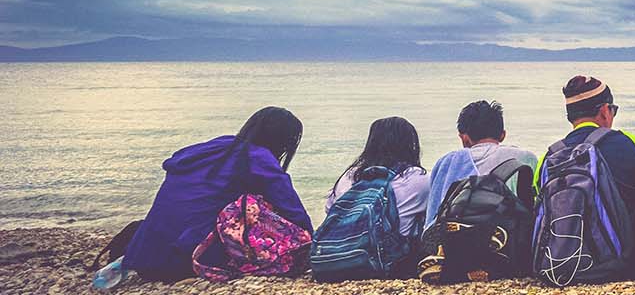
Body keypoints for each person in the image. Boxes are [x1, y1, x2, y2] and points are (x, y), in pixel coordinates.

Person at [123, 106, 313, 282]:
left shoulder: (216, 147)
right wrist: (314, 242)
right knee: (255, 205)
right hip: (188, 261)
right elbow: (292, 208)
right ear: (282, 141)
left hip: (142, 257)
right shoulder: (258, 158)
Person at [540, 76, 635, 275]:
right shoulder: (634, 145)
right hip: (623, 264)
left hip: (560, 264)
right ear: (605, 110)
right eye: (614, 110)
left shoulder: (550, 155)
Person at [423, 100, 540, 228]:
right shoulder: (525, 158)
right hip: (510, 241)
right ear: (502, 135)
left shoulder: (446, 163)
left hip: (455, 242)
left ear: (464, 138)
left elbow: (432, 219)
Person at [325, 116, 430, 238]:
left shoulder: (350, 175)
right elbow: (435, 209)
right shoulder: (416, 177)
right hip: (391, 255)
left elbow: (329, 211)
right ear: (410, 145)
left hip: (337, 251)